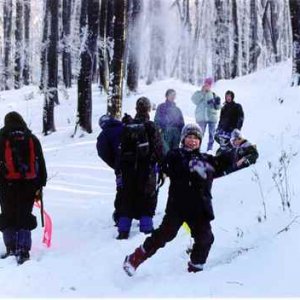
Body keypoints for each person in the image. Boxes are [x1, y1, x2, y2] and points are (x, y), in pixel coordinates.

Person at [122, 123, 258, 276]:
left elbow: (222, 163)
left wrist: (240, 151)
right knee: (164, 236)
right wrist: (193, 165)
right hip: (177, 207)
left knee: (205, 238)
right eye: (189, 137)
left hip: (199, 209)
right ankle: (134, 259)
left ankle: (195, 270)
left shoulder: (206, 159)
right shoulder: (175, 155)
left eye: (196, 138)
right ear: (183, 139)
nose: (192, 141)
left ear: (200, 141)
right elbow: (171, 165)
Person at [0, 112, 47, 264]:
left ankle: (11, 248)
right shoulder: (31, 138)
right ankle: (23, 250)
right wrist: (40, 184)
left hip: (6, 184)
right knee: (24, 214)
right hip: (28, 184)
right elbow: (41, 163)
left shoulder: (2, 137)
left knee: (8, 215)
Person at [116, 97, 164, 240]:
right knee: (147, 197)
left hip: (128, 169)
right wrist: (161, 166)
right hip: (147, 169)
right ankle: (146, 229)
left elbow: (119, 149)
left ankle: (123, 230)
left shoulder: (127, 125)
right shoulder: (151, 126)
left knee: (127, 197)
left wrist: (119, 170)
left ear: (136, 108)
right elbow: (159, 148)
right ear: (149, 109)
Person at [96, 114, 124, 225]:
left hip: (121, 167)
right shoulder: (125, 127)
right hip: (137, 165)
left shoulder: (104, 135)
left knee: (122, 191)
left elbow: (103, 154)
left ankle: (120, 216)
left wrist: (115, 164)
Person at [191, 77, 221, 153]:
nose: (208, 85)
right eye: (206, 84)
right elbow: (194, 100)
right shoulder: (198, 93)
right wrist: (202, 93)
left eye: (209, 84)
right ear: (204, 84)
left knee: (212, 135)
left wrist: (217, 103)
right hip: (201, 118)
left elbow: (218, 107)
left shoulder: (213, 94)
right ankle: (197, 149)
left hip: (212, 118)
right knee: (199, 134)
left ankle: (209, 150)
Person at [154, 89, 185, 154]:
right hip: (165, 132)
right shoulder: (161, 107)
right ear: (167, 96)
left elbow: (182, 123)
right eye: (171, 95)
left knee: (175, 152)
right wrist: (159, 129)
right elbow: (156, 119)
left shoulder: (177, 109)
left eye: (174, 95)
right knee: (166, 151)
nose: (173, 96)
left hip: (176, 134)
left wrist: (182, 134)